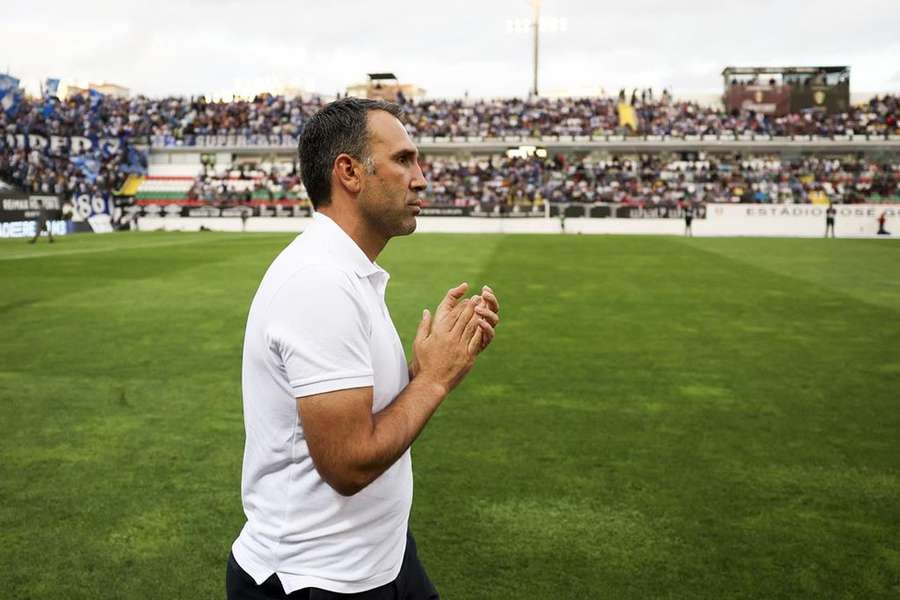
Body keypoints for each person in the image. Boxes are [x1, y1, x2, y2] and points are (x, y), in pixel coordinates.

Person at [227, 98, 500, 600]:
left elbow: (364, 413)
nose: (420, 178)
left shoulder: (347, 271)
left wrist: (422, 369)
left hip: (377, 558)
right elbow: (348, 463)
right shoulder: (320, 282)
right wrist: (434, 380)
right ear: (349, 172)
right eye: (403, 160)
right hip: (318, 577)